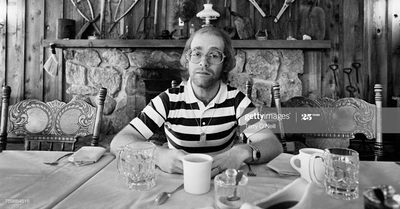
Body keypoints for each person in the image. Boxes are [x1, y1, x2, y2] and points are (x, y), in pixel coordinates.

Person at [110, 26, 283, 177]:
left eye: (214, 55)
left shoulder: (237, 101)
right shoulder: (168, 100)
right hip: (176, 185)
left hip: (221, 184)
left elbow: (273, 145)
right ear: (187, 60)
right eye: (197, 54)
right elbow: (119, 142)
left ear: (225, 63)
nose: (204, 62)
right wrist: (156, 155)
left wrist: (242, 152)